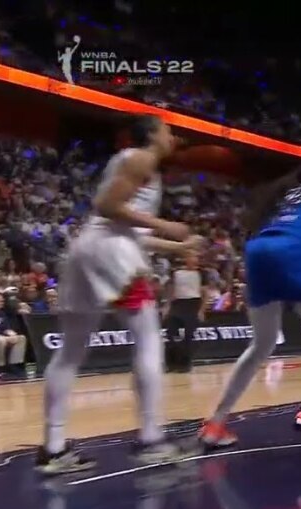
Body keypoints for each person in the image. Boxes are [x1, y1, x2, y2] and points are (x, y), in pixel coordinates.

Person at [38, 115, 201, 475]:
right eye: (167, 130)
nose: (172, 136)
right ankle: (151, 440)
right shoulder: (141, 158)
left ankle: (53, 448)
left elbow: (125, 227)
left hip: (89, 250)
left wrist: (178, 246)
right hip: (111, 253)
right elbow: (107, 206)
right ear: (152, 135)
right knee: (149, 340)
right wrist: (166, 225)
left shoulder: (133, 164)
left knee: (70, 352)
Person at [198, 157, 301, 448]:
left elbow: (255, 228)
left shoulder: (283, 196)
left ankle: (216, 423)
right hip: (292, 255)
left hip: (257, 255)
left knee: (262, 344)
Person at [163, 249, 204, 372]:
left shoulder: (202, 273)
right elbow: (172, 289)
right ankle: (171, 363)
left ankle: (185, 364)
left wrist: (201, 310)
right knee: (171, 334)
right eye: (191, 257)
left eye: (195, 257)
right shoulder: (177, 273)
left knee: (188, 336)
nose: (193, 260)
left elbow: (205, 292)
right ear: (186, 259)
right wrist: (167, 306)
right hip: (178, 303)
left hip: (193, 304)